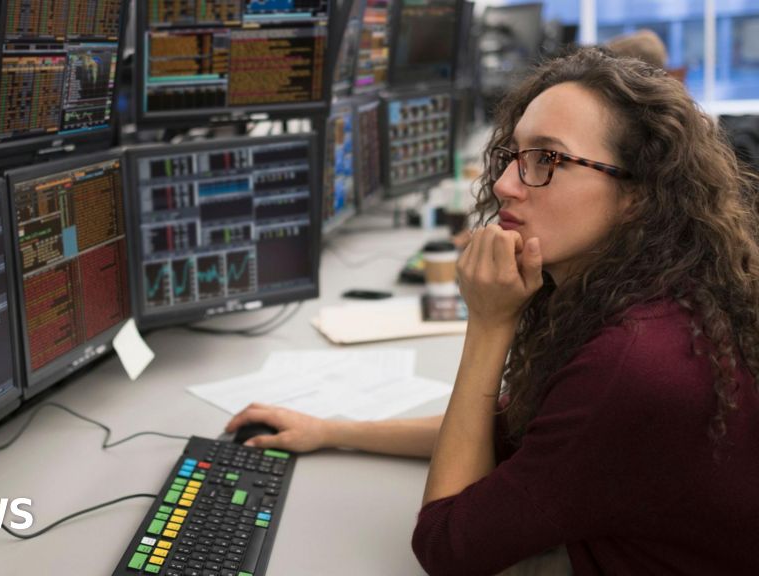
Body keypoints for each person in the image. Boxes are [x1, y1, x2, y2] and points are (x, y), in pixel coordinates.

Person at [225, 46, 759, 574]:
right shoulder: (648, 292)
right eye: (514, 155)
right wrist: (332, 430)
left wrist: (488, 323)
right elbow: (510, 427)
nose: (504, 184)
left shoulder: (633, 360)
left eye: (548, 159)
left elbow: (447, 547)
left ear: (637, 196)